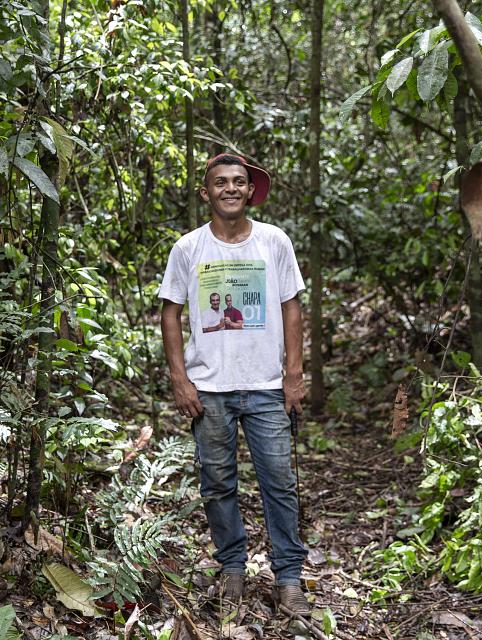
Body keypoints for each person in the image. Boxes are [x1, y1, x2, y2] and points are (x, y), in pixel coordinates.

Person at [158, 153, 309, 620]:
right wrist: (181, 380)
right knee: (217, 484)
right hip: (210, 390)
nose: (229, 188)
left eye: (238, 182)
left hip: (265, 386)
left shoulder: (274, 242)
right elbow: (170, 313)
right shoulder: (188, 249)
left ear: (250, 191)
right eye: (219, 182)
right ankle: (232, 571)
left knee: (280, 484)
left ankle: (289, 580)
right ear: (205, 192)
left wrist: (294, 376)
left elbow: (291, 308)